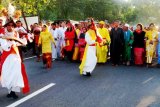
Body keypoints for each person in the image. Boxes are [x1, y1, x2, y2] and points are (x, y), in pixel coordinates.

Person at [0, 20, 30, 99]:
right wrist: (11, 43)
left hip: (15, 57)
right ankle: (10, 91)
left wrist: (24, 40)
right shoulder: (3, 35)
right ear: (6, 26)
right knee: (7, 74)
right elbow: (5, 47)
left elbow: (20, 43)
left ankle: (13, 91)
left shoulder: (15, 34)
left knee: (15, 74)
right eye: (9, 25)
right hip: (6, 58)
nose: (10, 27)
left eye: (12, 26)